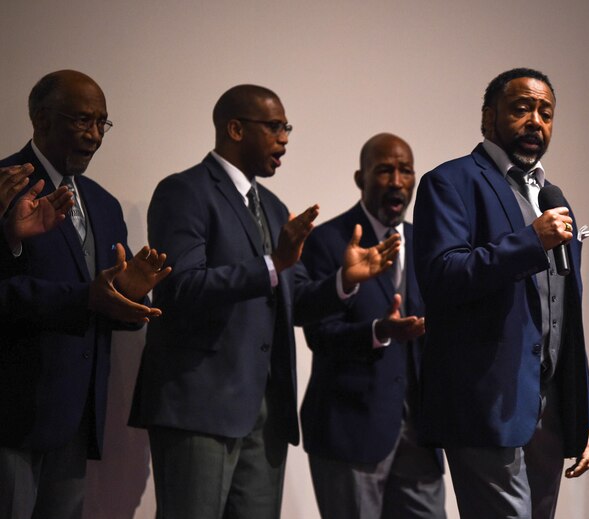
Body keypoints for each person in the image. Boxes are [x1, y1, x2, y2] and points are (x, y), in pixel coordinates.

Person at [129, 85, 400, 519]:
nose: (285, 138)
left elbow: (291, 304)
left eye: (286, 127)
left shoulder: (274, 208)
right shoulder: (184, 192)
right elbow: (180, 288)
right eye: (275, 127)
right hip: (200, 407)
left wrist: (344, 281)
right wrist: (272, 263)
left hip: (266, 411)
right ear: (235, 128)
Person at [412, 68, 589, 519]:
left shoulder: (554, 198)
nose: (536, 120)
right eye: (522, 108)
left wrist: (582, 415)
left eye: (546, 113)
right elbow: (441, 276)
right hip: (484, 403)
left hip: (549, 407)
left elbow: (566, 317)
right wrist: (530, 241)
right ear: (488, 117)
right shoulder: (451, 182)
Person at [0, 69, 170, 519]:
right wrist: (87, 297)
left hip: (76, 418)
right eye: (82, 121)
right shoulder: (3, 185)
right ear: (40, 120)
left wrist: (132, 299)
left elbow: (111, 298)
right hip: (11, 416)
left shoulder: (103, 203)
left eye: (102, 123)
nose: (95, 135)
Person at [300, 133, 446, 519]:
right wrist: (379, 331)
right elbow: (319, 334)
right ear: (359, 178)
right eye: (384, 170)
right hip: (350, 432)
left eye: (405, 171)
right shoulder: (327, 241)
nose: (397, 181)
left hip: (420, 434)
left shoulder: (427, 243)